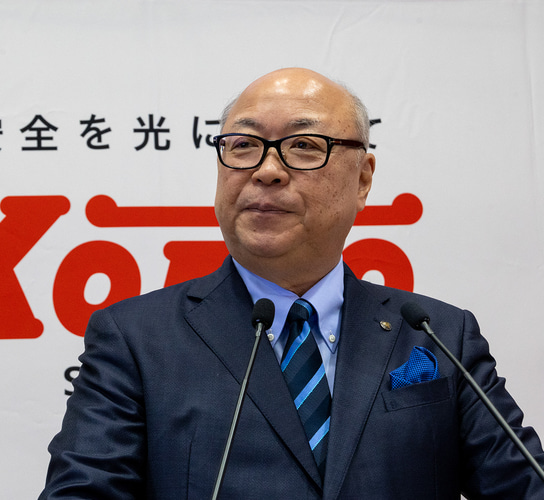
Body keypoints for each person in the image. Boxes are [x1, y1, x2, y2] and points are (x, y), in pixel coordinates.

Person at [39, 68, 544, 498]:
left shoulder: (439, 334)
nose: (267, 171)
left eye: (303, 146)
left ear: (363, 178)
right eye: (243, 145)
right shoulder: (135, 339)